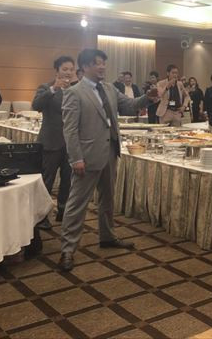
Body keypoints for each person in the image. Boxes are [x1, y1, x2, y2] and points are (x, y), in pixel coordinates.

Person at [59, 49, 157, 272]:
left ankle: (107, 236)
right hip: (87, 157)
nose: (102, 67)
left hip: (110, 152)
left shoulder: (110, 88)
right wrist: (76, 158)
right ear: (85, 67)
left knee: (108, 199)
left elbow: (129, 105)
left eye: (103, 63)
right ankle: (67, 249)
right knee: (77, 204)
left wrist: (148, 98)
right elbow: (70, 130)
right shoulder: (74, 93)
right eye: (97, 63)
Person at [32, 56, 75, 227]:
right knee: (46, 181)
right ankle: (41, 216)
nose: (68, 72)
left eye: (71, 69)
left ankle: (63, 212)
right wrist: (53, 89)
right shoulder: (46, 87)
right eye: (65, 69)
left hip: (71, 144)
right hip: (51, 142)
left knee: (68, 180)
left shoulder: (76, 89)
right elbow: (36, 105)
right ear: (57, 71)